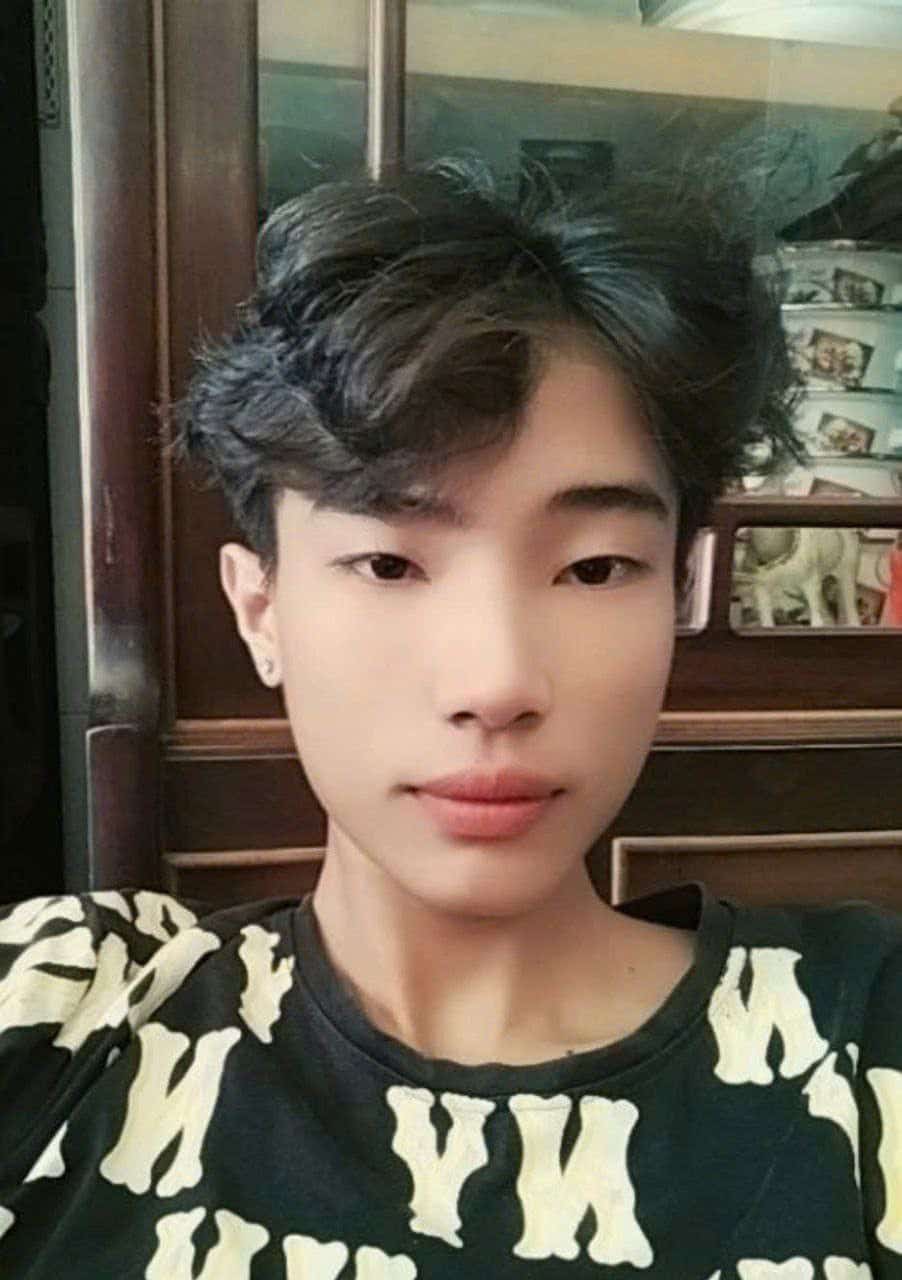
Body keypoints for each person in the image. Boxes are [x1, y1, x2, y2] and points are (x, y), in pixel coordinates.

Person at [0, 159, 900, 1279]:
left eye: (594, 567)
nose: (496, 681)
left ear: (676, 592)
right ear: (260, 608)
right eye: (388, 562)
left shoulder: (862, 1036)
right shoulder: (64, 1018)